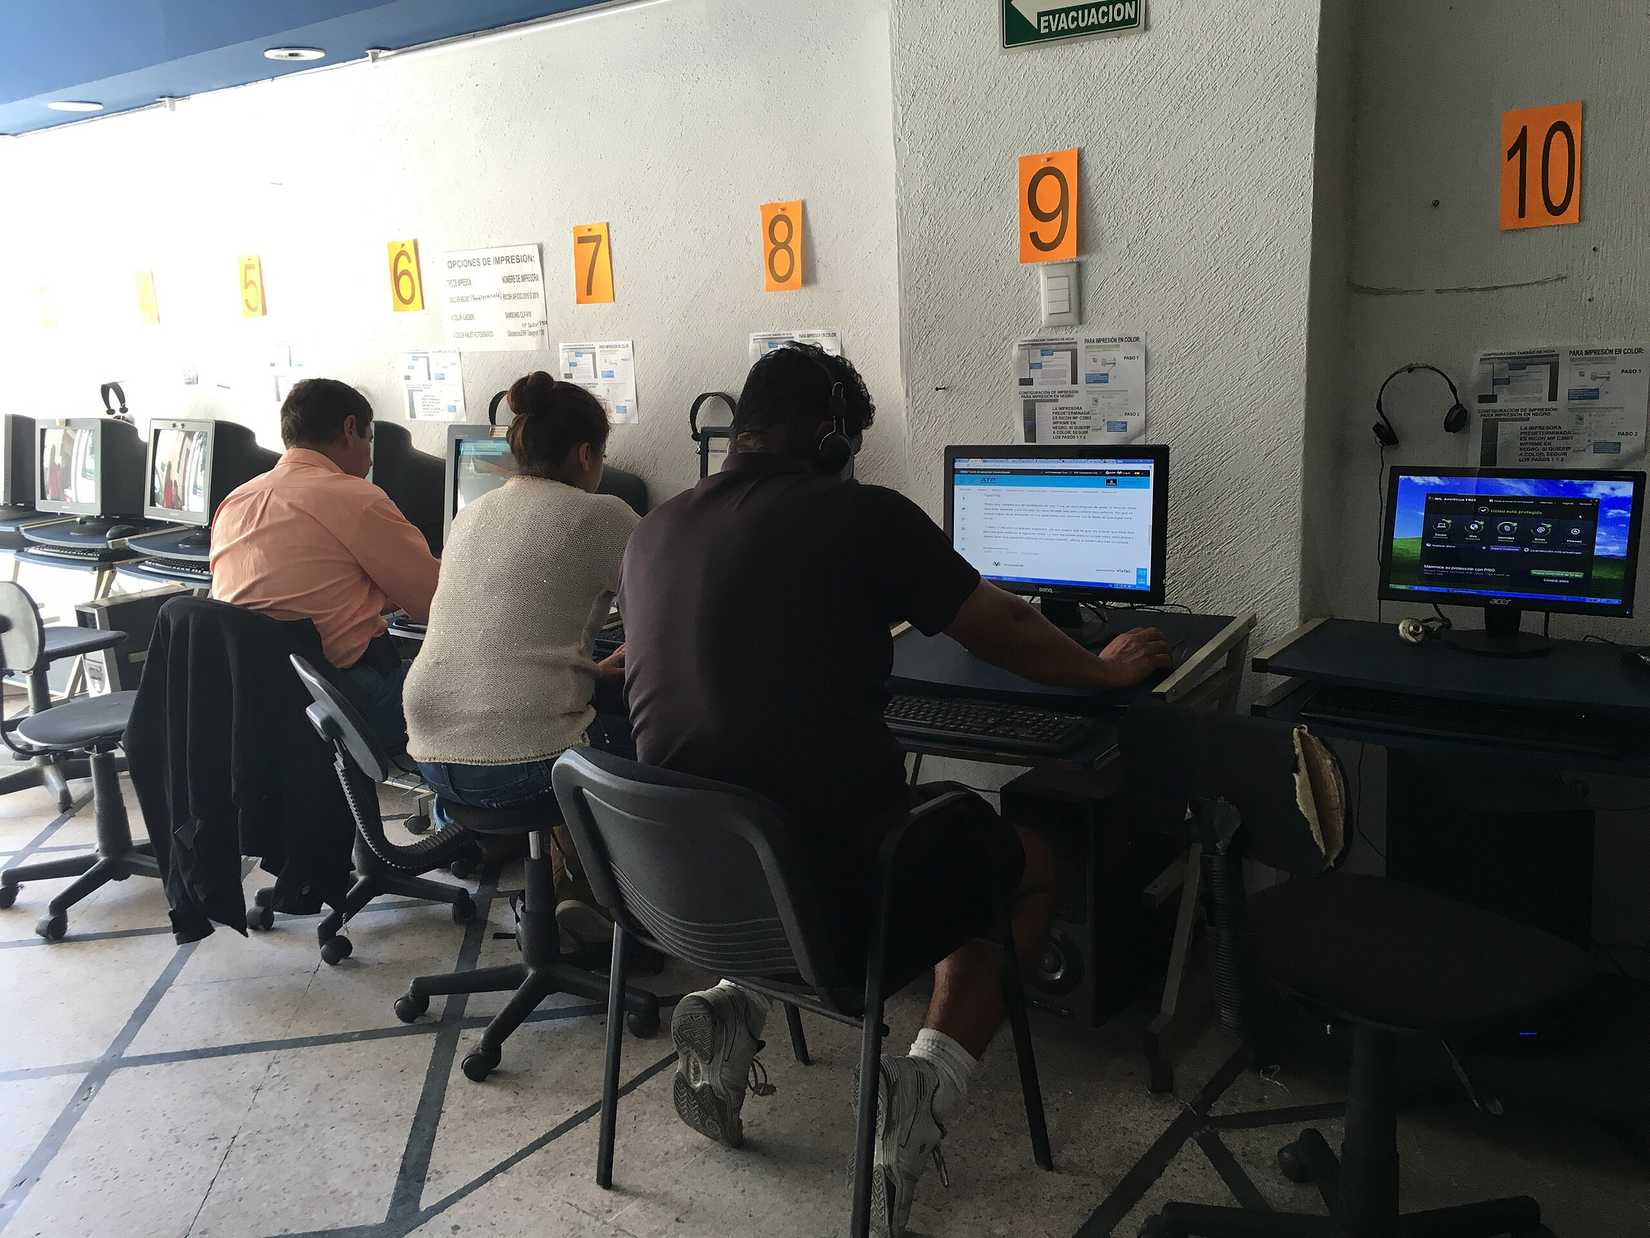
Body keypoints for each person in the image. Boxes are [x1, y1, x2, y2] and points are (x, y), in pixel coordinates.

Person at [619, 343, 1172, 1237]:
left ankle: (731, 1011)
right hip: (834, 900)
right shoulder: (858, 515)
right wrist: (1100, 675)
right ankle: (923, 1087)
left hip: (683, 891)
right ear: (832, 434)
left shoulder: (654, 530)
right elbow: (1001, 625)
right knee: (1027, 863)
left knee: (773, 810)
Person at [403, 373, 631, 931]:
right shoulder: (603, 515)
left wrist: (588, 668)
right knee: (650, 739)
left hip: (430, 755)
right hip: (518, 761)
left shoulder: (472, 515)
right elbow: (677, 606)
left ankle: (568, 882)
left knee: (577, 711)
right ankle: (615, 903)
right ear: (585, 454)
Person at [210, 378, 438, 747]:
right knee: (477, 685)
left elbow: (302, 589)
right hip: (344, 697)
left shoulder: (237, 500)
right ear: (351, 428)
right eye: (369, 440)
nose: (369, 456)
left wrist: (369, 594)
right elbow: (435, 605)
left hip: (258, 702)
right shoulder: (354, 496)